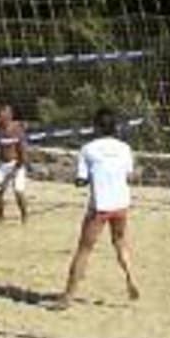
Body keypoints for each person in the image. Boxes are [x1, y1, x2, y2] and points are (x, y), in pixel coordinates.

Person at [60, 107, 140, 307]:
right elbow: (129, 175)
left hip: (100, 206)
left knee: (84, 249)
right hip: (121, 203)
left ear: (96, 127)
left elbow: (81, 179)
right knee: (120, 242)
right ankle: (130, 276)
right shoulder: (125, 148)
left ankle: (68, 296)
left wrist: (80, 181)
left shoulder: (88, 149)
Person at [0, 102, 30, 224]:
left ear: (10, 115)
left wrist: (20, 164)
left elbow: (23, 149)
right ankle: (0, 216)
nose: (1, 117)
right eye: (0, 114)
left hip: (17, 163)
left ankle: (24, 215)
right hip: (2, 164)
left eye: (4, 114)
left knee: (18, 191)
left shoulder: (18, 130)